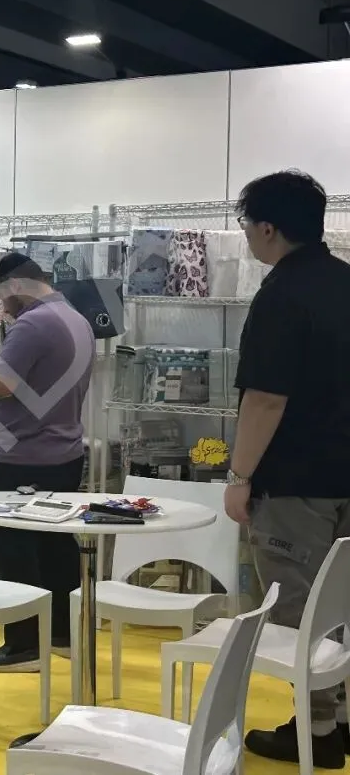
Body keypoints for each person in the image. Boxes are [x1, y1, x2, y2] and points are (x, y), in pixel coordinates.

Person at [223, 170, 350, 769]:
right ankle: (341, 720)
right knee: (341, 607)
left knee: (299, 611)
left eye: (248, 225)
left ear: (268, 228)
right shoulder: (344, 281)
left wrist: (239, 476)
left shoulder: (281, 296)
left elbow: (266, 400)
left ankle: (316, 729)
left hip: (297, 484)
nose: (248, 236)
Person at [0, 251, 95, 672]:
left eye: (4, 297)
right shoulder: (76, 320)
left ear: (17, 286)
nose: (3, 307)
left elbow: (1, 385)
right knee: (55, 544)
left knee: (14, 546)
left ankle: (23, 644)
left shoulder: (34, 323)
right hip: (63, 453)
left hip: (20, 455)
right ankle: (62, 632)